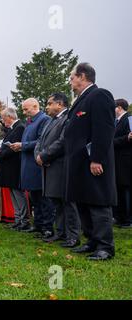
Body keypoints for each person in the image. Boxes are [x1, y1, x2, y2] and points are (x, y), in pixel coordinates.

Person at [64, 63, 116, 261]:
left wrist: (97, 158)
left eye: (72, 77)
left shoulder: (99, 95)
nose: (71, 82)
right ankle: (92, 241)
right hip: (79, 162)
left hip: (92, 161)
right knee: (84, 202)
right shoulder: (80, 100)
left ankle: (105, 246)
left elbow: (104, 129)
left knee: (98, 203)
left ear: (82, 76)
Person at [35, 93, 81, 247]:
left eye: (49, 103)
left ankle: (73, 236)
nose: (46, 107)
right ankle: (61, 233)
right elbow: (40, 140)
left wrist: (45, 156)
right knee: (57, 203)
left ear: (60, 104)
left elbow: (62, 141)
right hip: (49, 166)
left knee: (68, 203)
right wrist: (38, 155)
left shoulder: (67, 118)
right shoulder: (51, 121)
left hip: (60, 166)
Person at [10, 98, 54, 237]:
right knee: (35, 198)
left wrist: (23, 145)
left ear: (35, 106)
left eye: (26, 109)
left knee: (43, 199)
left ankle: (47, 227)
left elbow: (42, 141)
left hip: (37, 165)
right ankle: (38, 225)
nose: (24, 112)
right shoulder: (30, 122)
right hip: (29, 164)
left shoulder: (44, 120)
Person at [0, 108, 28, 230]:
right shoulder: (13, 129)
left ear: (9, 116)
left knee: (18, 194)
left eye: (3, 117)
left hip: (14, 166)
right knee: (13, 194)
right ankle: (18, 220)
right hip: (9, 166)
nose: (2, 120)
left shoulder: (19, 127)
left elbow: (11, 149)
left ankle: (23, 220)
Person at [113, 99, 132, 228]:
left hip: (126, 161)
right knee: (119, 189)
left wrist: (112, 142)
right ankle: (120, 217)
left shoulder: (128, 119)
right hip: (118, 160)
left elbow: (129, 137)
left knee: (126, 190)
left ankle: (128, 219)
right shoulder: (117, 121)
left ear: (119, 108)